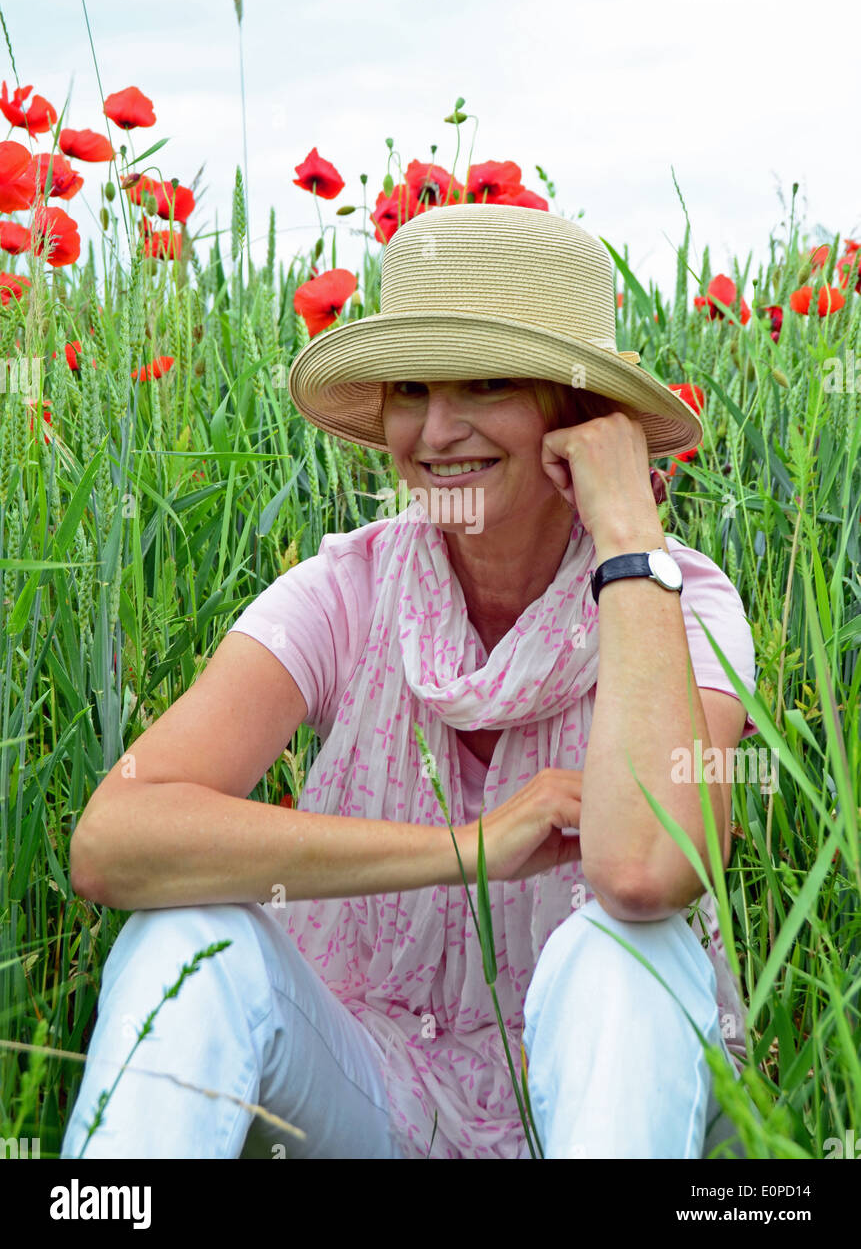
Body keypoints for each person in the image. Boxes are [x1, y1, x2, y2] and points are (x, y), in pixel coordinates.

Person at [62, 204, 760, 1160]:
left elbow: (646, 871)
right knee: (187, 937)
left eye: (484, 383)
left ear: (581, 416)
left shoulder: (680, 605)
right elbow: (114, 840)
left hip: (605, 1101)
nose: (434, 432)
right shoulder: (345, 590)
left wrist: (629, 537)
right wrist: (467, 846)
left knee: (622, 952)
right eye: (408, 390)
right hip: (375, 1086)